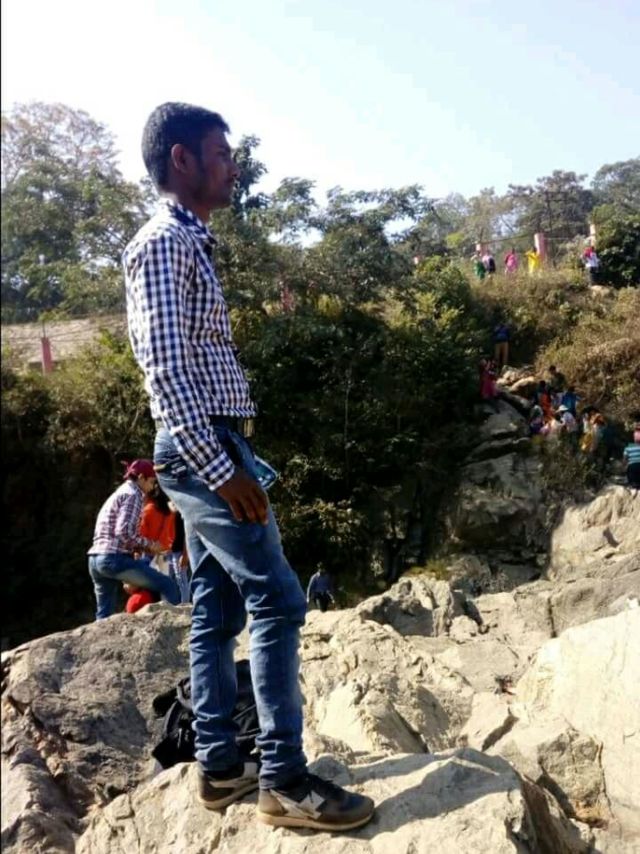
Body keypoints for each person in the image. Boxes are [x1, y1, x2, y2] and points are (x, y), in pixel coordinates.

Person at [123, 102, 374, 831]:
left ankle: (221, 767)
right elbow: (165, 370)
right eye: (221, 154)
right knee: (279, 600)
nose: (233, 167)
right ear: (182, 159)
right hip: (203, 449)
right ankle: (284, 780)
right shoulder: (163, 243)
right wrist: (219, 467)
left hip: (210, 445)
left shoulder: (188, 241)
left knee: (217, 608)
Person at [87, 460, 181, 619]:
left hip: (95, 559)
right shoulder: (133, 495)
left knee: (103, 615)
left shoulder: (119, 493)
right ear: (142, 477)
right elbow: (124, 532)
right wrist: (151, 545)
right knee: (168, 585)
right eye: (152, 481)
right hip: (113, 558)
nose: (153, 487)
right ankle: (177, 630)